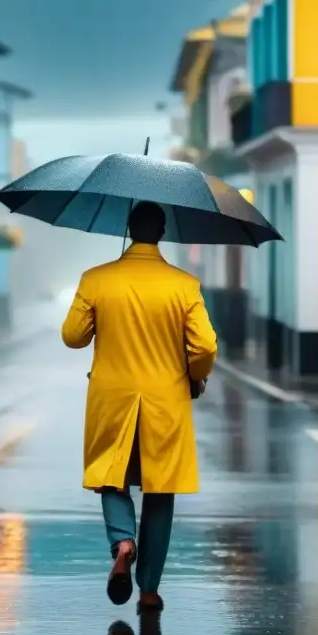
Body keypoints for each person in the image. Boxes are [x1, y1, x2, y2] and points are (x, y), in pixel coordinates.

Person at [61, 200, 217, 614]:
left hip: (112, 400)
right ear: (161, 234)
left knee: (112, 479)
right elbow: (204, 346)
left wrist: (98, 312)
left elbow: (72, 337)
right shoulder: (184, 285)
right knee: (159, 491)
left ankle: (123, 543)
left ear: (129, 230)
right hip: (165, 404)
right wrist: (195, 375)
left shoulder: (96, 279)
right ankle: (148, 590)